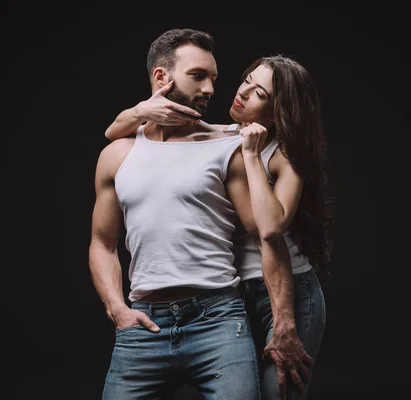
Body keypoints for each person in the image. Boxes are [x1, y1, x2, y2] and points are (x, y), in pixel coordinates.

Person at [89, 28, 311, 400]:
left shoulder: (229, 146)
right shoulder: (116, 154)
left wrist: (284, 321)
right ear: (162, 77)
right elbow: (101, 243)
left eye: (214, 79)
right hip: (144, 326)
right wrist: (117, 309)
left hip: (219, 320)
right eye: (198, 76)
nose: (211, 89)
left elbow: (266, 234)